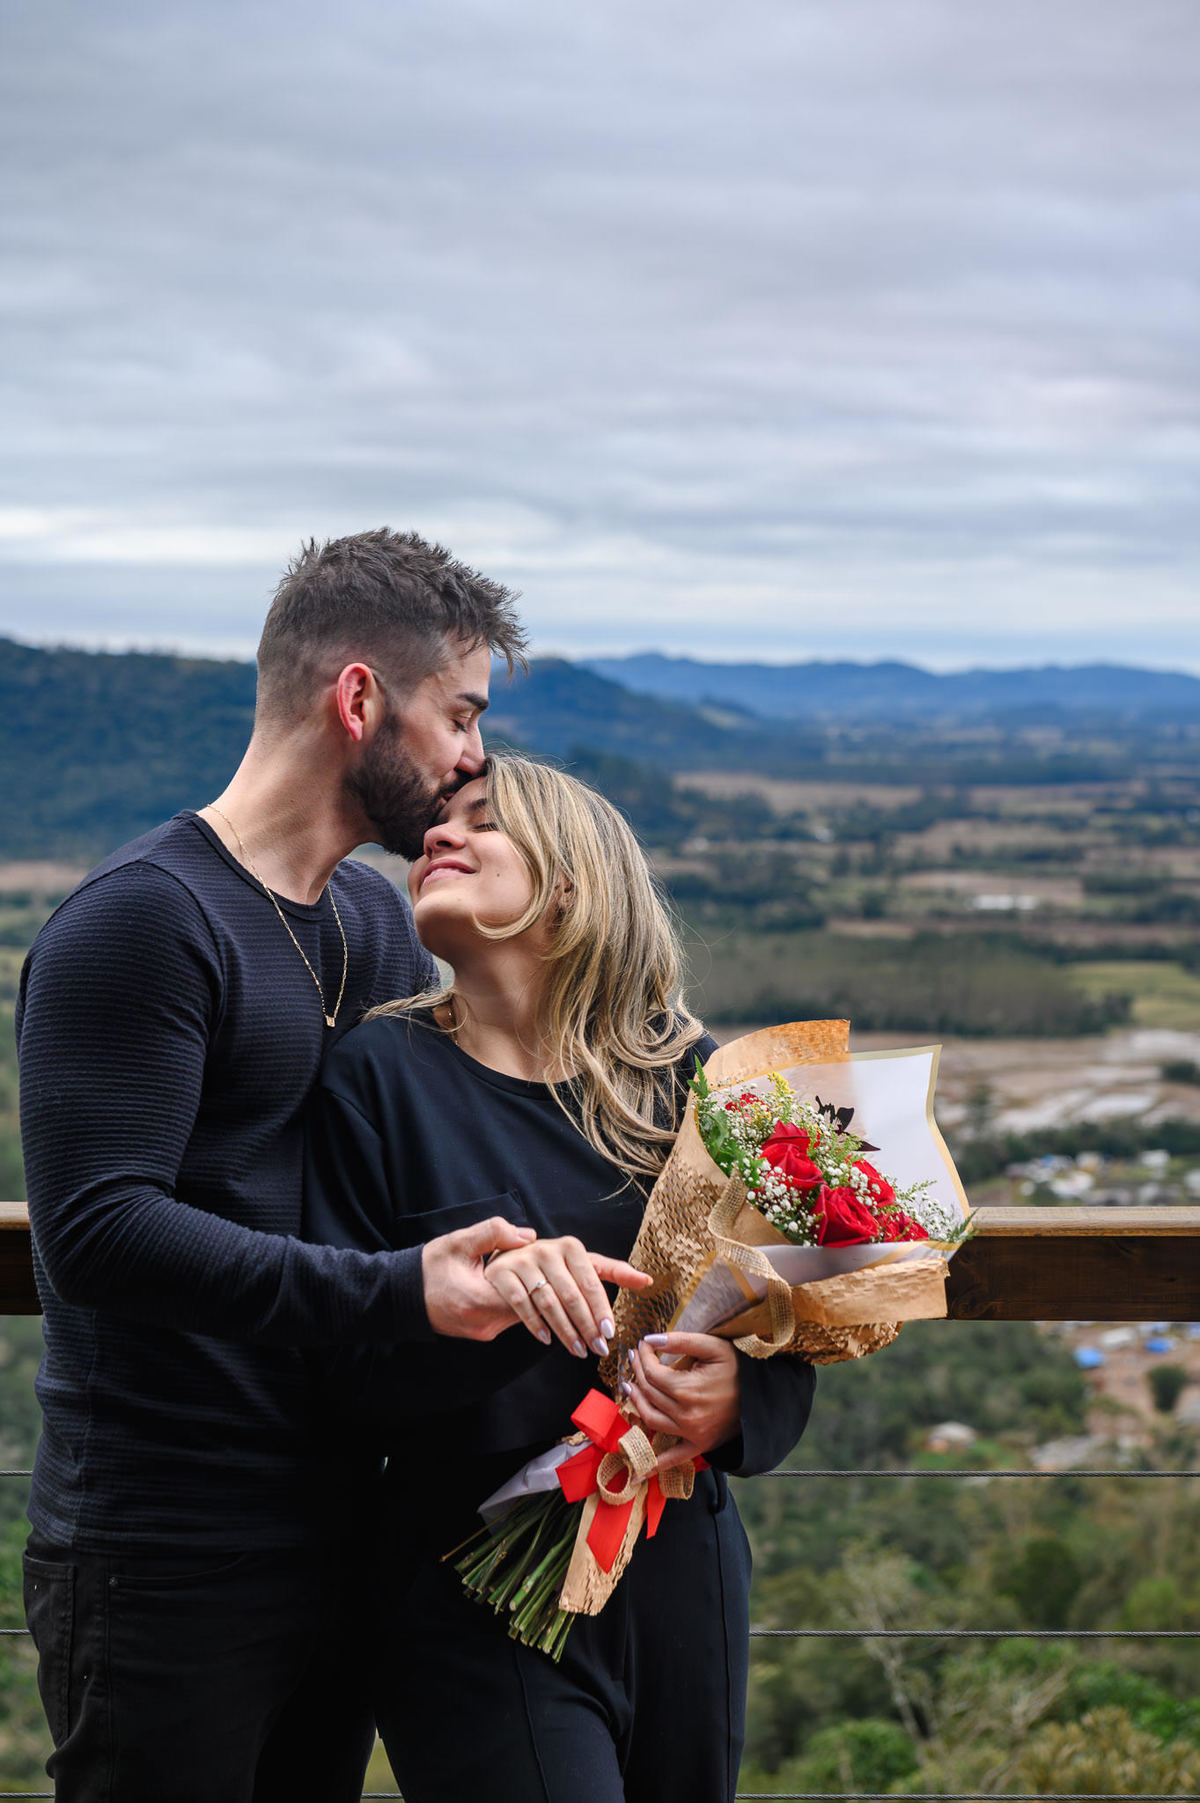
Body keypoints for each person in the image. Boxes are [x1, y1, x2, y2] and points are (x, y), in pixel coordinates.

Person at [16, 531, 643, 1803]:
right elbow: (96, 1232)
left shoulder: (376, 923)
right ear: (359, 699)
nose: (476, 756)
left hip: (350, 1526)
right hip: (165, 1539)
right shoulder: (142, 920)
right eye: (460, 714)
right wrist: (404, 1292)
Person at [305, 752, 817, 1803]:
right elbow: (336, 1367)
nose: (436, 838)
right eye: (434, 828)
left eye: (483, 822)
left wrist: (736, 1398)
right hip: (467, 1578)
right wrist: (492, 1304)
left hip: (681, 1563)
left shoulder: (688, 1075)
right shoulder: (373, 1076)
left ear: (572, 883)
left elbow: (792, 1320)